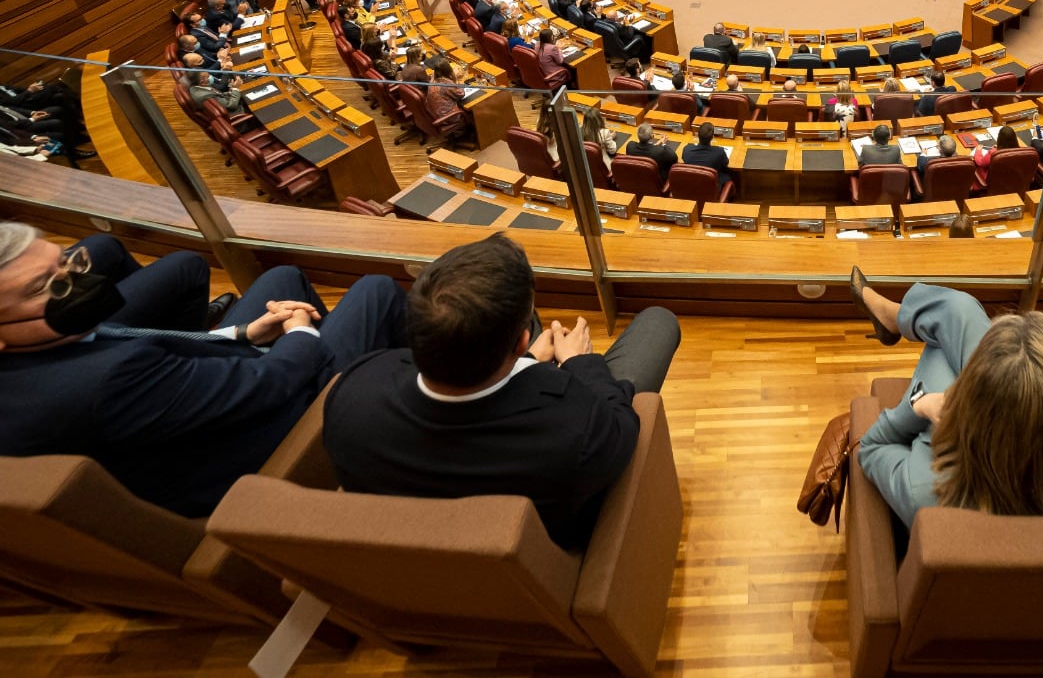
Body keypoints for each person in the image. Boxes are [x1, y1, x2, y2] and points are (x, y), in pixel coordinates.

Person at [0, 223, 407, 517]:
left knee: (282, 278)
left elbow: (127, 337)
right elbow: (273, 382)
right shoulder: (107, 380)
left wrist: (243, 332)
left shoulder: (41, 345)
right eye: (42, 287)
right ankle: (428, 394)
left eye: (68, 263)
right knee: (376, 290)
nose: (73, 282)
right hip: (271, 438)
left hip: (201, 399)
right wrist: (298, 333)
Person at [321, 234, 679, 551]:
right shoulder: (576, 428)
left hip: (428, 556)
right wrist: (578, 363)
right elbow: (622, 428)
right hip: (555, 546)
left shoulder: (352, 392)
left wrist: (527, 361)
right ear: (521, 341)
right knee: (657, 323)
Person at [852, 272, 1043, 532]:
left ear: (969, 406)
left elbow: (871, 448)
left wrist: (919, 406)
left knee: (950, 328)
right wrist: (1038, 411)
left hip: (952, 451)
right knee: (960, 313)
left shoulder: (925, 489)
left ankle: (894, 319)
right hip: (1030, 430)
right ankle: (894, 317)